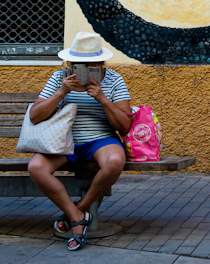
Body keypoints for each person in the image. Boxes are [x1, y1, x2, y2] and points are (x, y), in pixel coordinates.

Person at [27, 31, 132, 251]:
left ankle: (76, 212)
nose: (82, 68)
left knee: (114, 161)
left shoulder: (113, 79)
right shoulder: (59, 78)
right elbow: (35, 116)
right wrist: (61, 92)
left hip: (100, 139)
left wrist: (102, 98)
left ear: (101, 63)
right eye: (77, 64)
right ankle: (78, 217)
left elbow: (124, 125)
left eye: (90, 64)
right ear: (70, 62)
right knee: (36, 167)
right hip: (63, 140)